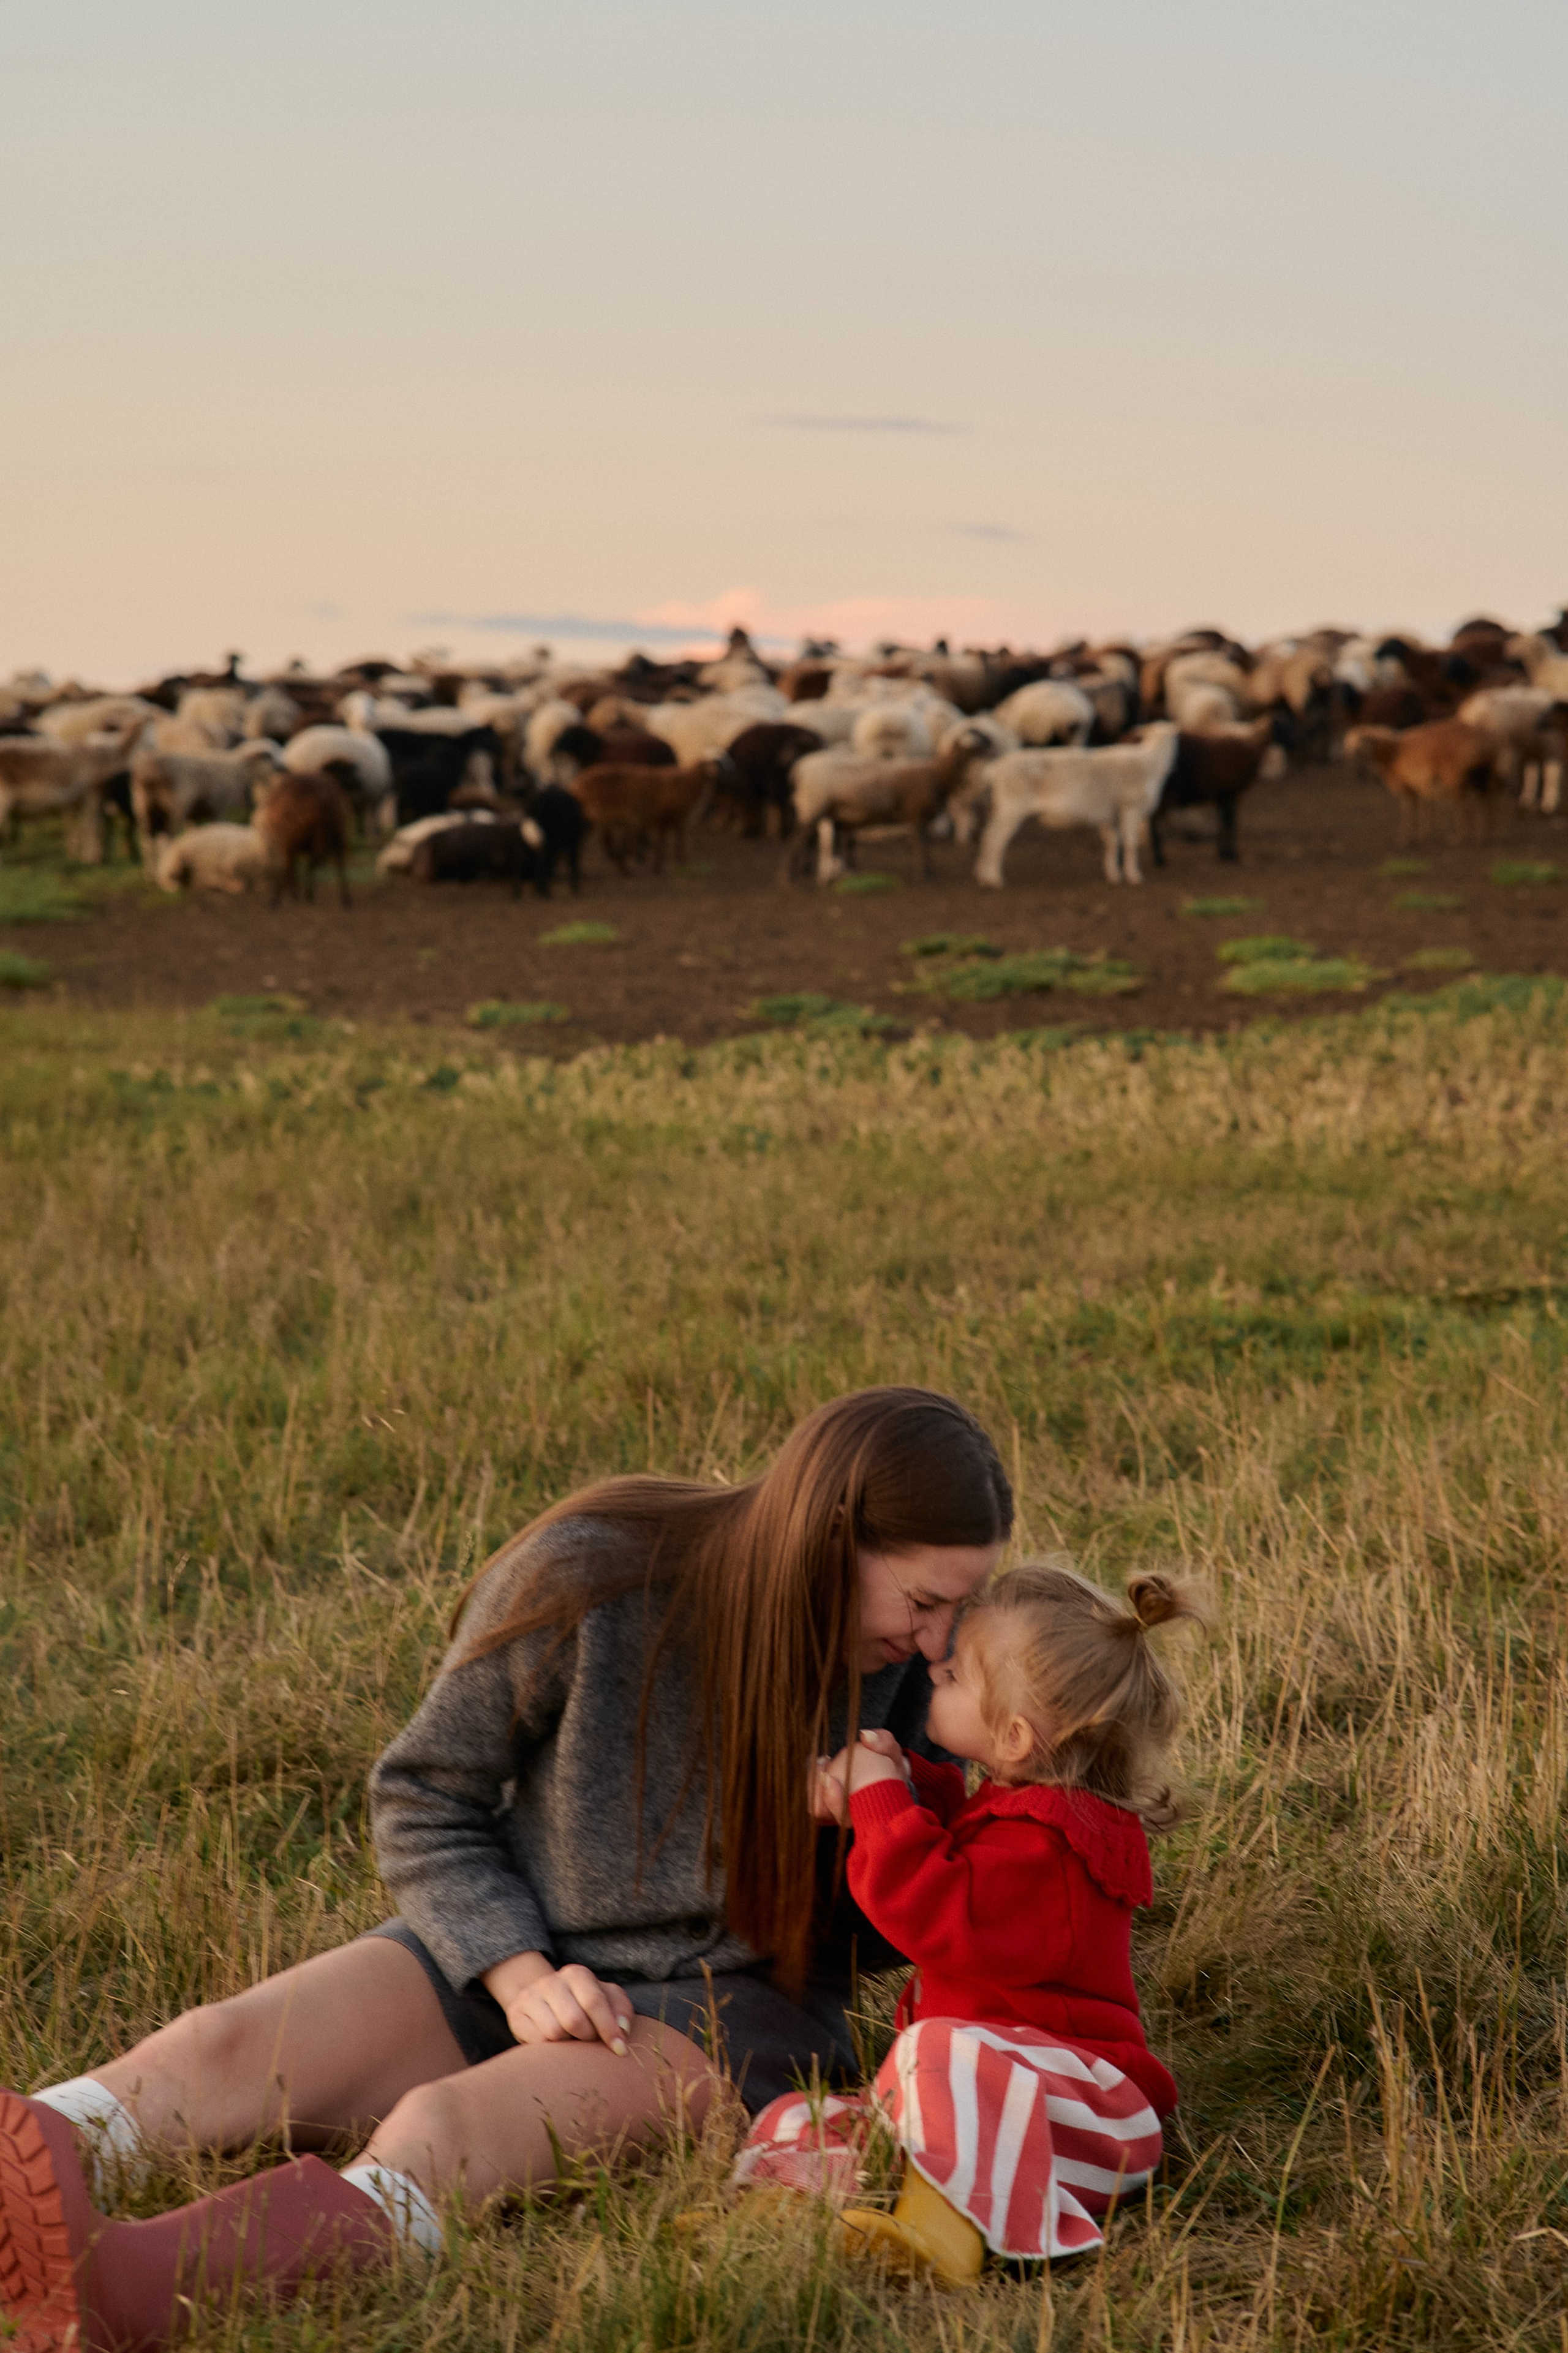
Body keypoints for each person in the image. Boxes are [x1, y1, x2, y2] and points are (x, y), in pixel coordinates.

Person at [0, 1387, 1011, 2351]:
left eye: (955, 1614)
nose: (934, 1643)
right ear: (830, 1536)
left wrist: (889, 1818)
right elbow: (425, 1797)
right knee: (217, 2048)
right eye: (924, 1600)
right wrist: (520, 1974)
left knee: (446, 2130)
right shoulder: (592, 1578)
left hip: (732, 2012)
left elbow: (905, 1933)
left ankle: (125, 2294)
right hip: (519, 1942)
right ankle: (34, 2169)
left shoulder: (913, 1675)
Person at [731, 1560, 1201, 2285]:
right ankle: (793, 2210)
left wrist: (880, 1799)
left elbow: (931, 1907)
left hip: (1076, 2113)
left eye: (953, 1677)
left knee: (936, 2048)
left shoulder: (1051, 1848)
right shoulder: (1032, 1814)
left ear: (1013, 1737)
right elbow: (969, 1833)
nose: (933, 1673)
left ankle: (944, 2232)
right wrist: (901, 1781)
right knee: (805, 2112)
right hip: (988, 2107)